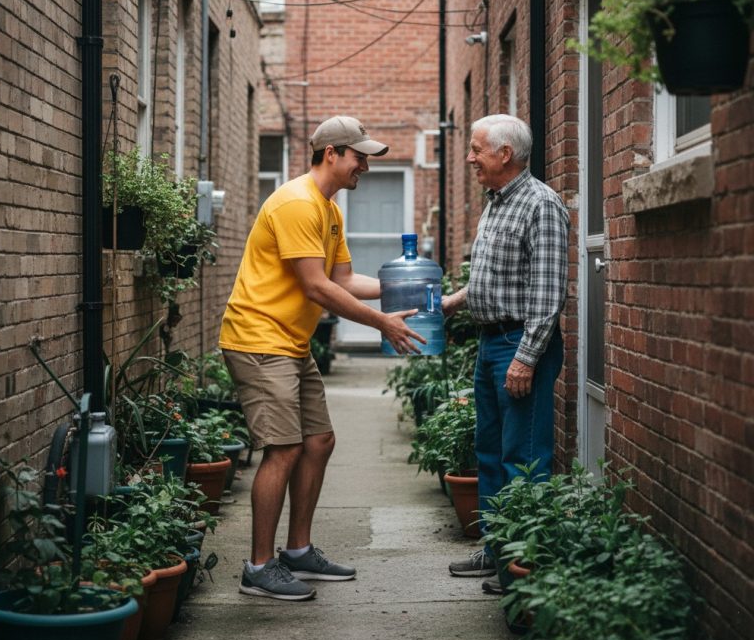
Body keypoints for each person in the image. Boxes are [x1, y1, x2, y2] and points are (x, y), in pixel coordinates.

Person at [219, 115, 425, 602]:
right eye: (360, 158)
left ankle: (297, 550)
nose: (366, 169)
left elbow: (346, 281)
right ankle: (259, 567)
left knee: (319, 441)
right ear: (331, 153)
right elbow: (316, 286)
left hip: (290, 342)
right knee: (284, 448)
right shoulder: (296, 203)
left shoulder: (329, 211)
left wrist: (418, 289)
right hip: (258, 340)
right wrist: (384, 323)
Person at [442, 114, 569, 590]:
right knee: (491, 451)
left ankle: (525, 563)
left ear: (505, 155)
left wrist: (526, 357)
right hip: (490, 341)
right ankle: (498, 549)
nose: (470, 157)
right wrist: (453, 303)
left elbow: (547, 293)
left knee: (525, 456)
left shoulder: (542, 205)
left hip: (520, 344)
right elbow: (490, 281)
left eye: (477, 150)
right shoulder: (495, 203)